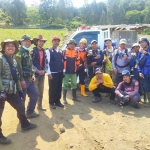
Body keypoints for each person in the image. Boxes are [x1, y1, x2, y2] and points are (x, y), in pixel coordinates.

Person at [0, 39, 37, 144]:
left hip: (11, 90)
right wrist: (1, 91)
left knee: (20, 105)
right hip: (1, 91)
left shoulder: (14, 61)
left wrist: (20, 91)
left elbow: (16, 77)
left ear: (15, 48)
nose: (10, 47)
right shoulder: (1, 59)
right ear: (4, 48)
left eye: (12, 45)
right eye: (8, 45)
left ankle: (25, 124)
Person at [14, 35, 39, 118]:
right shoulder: (19, 52)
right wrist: (21, 80)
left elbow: (30, 65)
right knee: (22, 99)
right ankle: (21, 117)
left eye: (29, 41)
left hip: (29, 78)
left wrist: (32, 75)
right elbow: (18, 67)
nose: (28, 42)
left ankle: (30, 112)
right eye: (25, 41)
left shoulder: (28, 52)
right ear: (21, 42)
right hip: (23, 79)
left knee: (34, 95)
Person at [46, 36, 64, 109]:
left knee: (59, 87)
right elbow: (47, 63)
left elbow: (62, 62)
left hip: (59, 72)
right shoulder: (48, 51)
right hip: (53, 73)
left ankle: (57, 101)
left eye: (58, 41)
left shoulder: (60, 51)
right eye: (55, 41)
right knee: (52, 88)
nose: (56, 42)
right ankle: (51, 102)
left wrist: (63, 71)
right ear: (52, 42)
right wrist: (49, 73)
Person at [31, 35, 47, 111]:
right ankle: (32, 108)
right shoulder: (33, 51)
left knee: (41, 90)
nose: (41, 43)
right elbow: (30, 63)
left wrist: (44, 70)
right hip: (35, 75)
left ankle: (39, 106)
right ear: (37, 42)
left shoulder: (44, 51)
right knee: (34, 92)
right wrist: (37, 70)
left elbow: (46, 62)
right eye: (39, 41)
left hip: (42, 75)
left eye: (42, 41)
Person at [62, 39, 81, 104]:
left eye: (73, 44)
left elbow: (78, 60)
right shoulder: (64, 51)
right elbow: (62, 61)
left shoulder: (76, 51)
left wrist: (77, 67)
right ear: (68, 45)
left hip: (73, 71)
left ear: (75, 45)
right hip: (66, 71)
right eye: (70, 44)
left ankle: (74, 97)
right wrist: (63, 70)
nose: (72, 45)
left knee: (74, 84)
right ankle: (64, 98)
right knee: (65, 85)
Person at [138, 37, 150, 107]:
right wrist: (139, 72)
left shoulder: (146, 51)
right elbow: (139, 63)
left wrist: (146, 53)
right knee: (146, 86)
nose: (142, 43)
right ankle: (149, 102)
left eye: (143, 42)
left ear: (147, 42)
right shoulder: (140, 52)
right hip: (144, 71)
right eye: (141, 42)